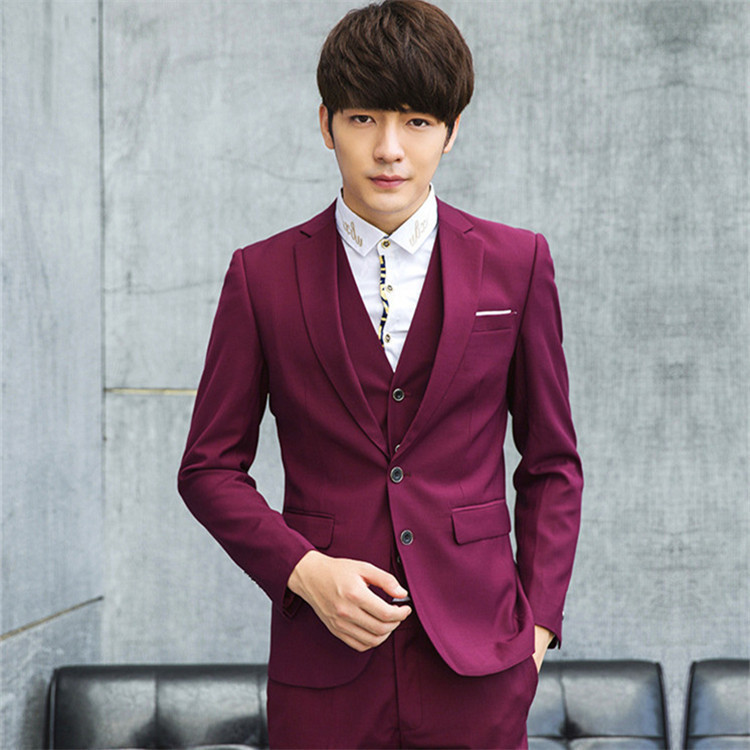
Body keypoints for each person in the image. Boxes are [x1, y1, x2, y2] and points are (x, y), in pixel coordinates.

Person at [178, 1, 583, 747]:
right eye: (364, 119)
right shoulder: (261, 276)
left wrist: (538, 630)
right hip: (324, 660)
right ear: (326, 123)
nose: (389, 149)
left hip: (481, 660)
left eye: (417, 122)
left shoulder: (518, 263)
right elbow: (207, 469)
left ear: (451, 131)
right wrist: (305, 571)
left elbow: (552, 462)